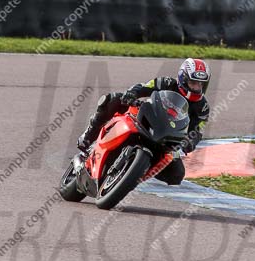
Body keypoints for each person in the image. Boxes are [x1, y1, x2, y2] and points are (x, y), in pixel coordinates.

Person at [77, 58, 211, 185]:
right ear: (183, 78)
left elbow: (198, 131)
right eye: (193, 83)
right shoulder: (166, 82)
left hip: (169, 138)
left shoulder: (203, 108)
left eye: (200, 84)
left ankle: (134, 174)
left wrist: (190, 142)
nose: (196, 87)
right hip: (149, 118)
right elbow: (143, 87)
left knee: (177, 175)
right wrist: (132, 94)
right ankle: (88, 137)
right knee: (113, 99)